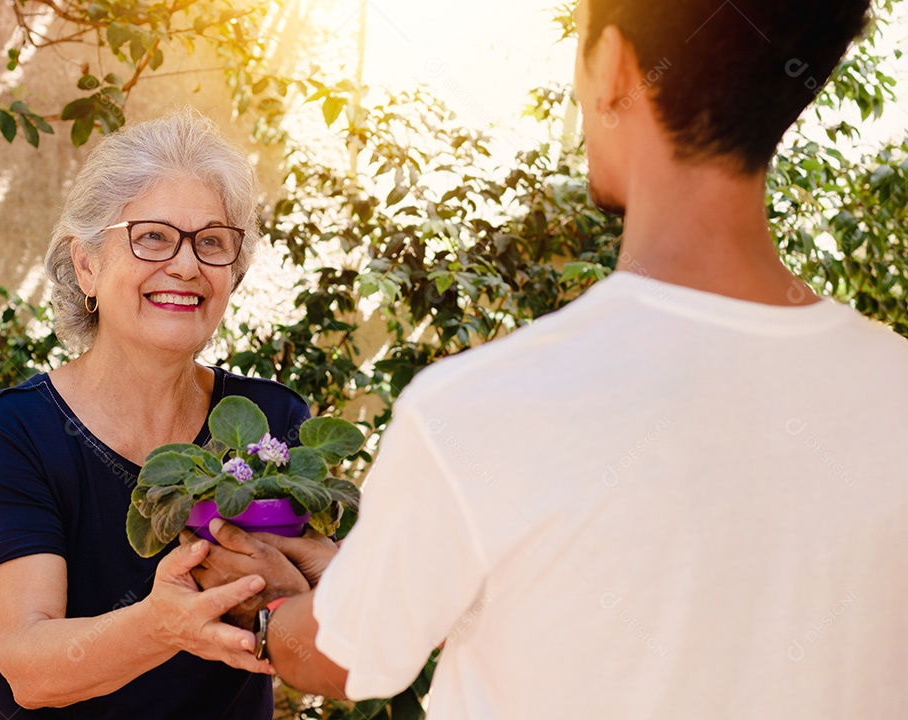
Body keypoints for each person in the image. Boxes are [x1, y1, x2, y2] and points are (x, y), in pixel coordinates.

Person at [195, 0, 908, 716]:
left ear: (614, 66)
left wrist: (270, 617)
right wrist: (356, 581)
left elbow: (344, 656)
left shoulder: (482, 407)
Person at [0, 110, 315, 719]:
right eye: (152, 236)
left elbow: (302, 630)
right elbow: (30, 669)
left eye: (212, 242)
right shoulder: (15, 432)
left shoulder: (271, 418)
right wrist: (163, 624)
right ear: (88, 265)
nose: (184, 265)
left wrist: (339, 580)